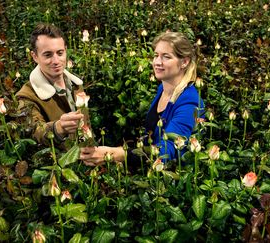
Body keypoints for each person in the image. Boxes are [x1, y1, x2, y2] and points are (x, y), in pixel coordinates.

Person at [80, 31, 204, 166]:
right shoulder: (163, 89)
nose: (157, 62)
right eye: (156, 55)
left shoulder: (189, 102)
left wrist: (117, 154)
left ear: (184, 62)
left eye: (166, 57)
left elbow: (167, 152)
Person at [16, 23, 84, 146]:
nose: (56, 61)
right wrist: (58, 128)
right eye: (48, 55)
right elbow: (31, 132)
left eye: (60, 53)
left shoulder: (76, 85)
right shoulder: (27, 96)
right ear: (35, 56)